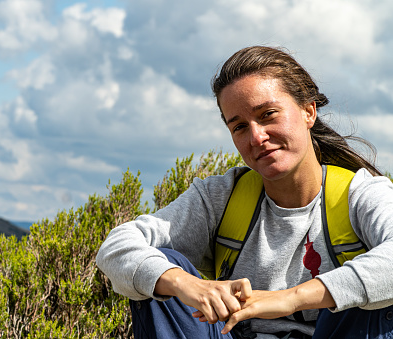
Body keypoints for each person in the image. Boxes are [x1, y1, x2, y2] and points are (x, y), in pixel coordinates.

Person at [96, 46, 393, 338]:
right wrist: (184, 284)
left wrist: (289, 298)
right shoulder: (220, 198)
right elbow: (117, 246)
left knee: (370, 289)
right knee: (161, 267)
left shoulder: (360, 194)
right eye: (239, 127)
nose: (256, 137)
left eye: (268, 114)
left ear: (308, 112)